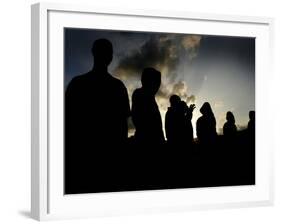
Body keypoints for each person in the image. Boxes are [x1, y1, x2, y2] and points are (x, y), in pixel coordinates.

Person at [65, 38, 130, 193]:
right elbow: (123, 127)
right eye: (108, 52)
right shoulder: (117, 86)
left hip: (83, 160)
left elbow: (67, 123)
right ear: (110, 57)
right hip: (99, 160)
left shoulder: (77, 83)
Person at [131, 67, 165, 147]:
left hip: (154, 141)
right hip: (147, 142)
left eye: (158, 83)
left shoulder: (150, 97)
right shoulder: (140, 94)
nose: (158, 86)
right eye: (156, 82)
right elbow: (137, 119)